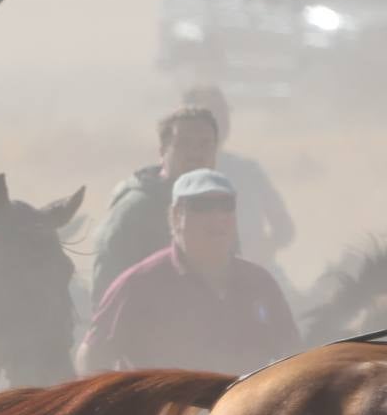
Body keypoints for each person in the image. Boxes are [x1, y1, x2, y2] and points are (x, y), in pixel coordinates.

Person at [81, 169, 299, 377]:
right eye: (202, 206)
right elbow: (91, 358)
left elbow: (294, 359)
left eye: (226, 205)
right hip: (167, 414)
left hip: (247, 414)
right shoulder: (139, 285)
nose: (218, 216)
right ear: (175, 216)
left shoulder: (260, 283)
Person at [88, 105, 221, 306]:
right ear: (162, 151)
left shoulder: (219, 206)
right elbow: (107, 294)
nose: (196, 153)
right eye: (184, 144)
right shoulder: (134, 210)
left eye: (205, 145)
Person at [180, 83, 298, 286]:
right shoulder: (176, 179)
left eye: (223, 115)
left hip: (256, 276)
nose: (222, 123)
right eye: (213, 116)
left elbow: (284, 228)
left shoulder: (249, 171)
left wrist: (265, 249)